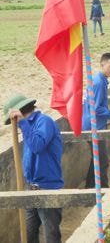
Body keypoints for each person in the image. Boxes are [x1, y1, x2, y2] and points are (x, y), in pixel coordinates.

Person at [4, 94, 63, 243]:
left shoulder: (45, 122)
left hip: (48, 188)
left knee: (51, 234)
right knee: (30, 232)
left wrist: (23, 123)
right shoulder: (28, 127)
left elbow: (37, 146)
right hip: (31, 187)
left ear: (21, 113)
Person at [82, 52, 110, 188]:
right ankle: (103, 189)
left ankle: (90, 188)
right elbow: (96, 109)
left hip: (94, 124)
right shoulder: (99, 82)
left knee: (97, 159)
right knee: (102, 160)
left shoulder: (100, 80)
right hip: (93, 126)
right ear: (102, 64)